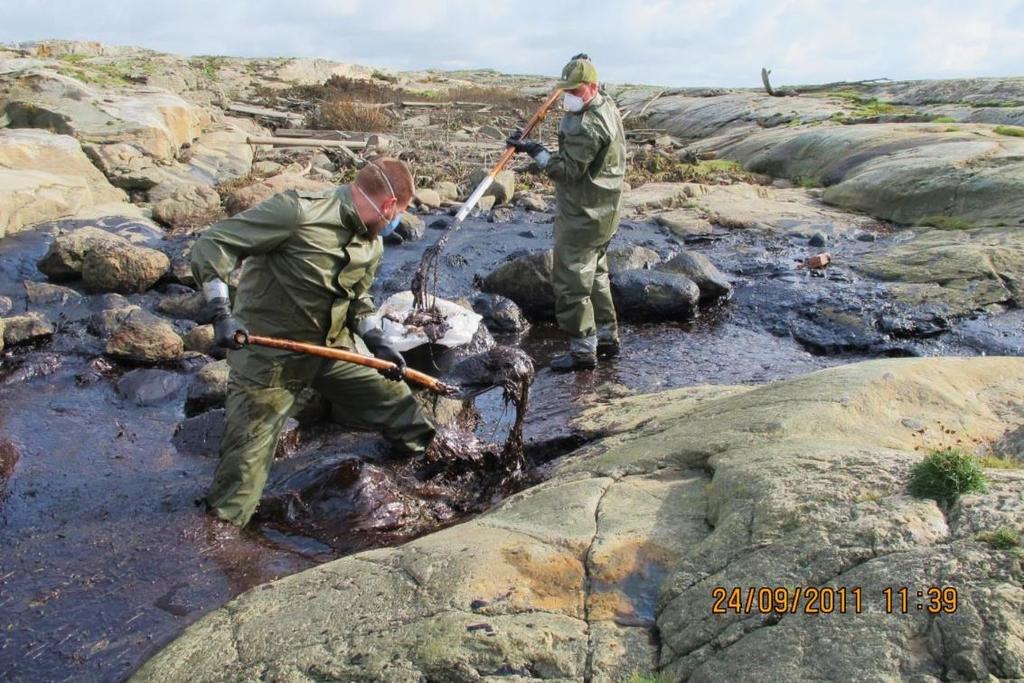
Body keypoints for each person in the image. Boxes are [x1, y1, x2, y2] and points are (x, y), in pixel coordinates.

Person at [190, 158, 435, 528]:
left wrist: (376, 339)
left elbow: (360, 298)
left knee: (398, 405)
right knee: (243, 471)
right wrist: (221, 312)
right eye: (398, 213)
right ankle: (222, 538)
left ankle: (426, 471)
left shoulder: (372, 244)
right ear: (388, 206)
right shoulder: (297, 212)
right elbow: (214, 244)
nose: (395, 222)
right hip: (270, 358)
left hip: (332, 350)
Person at [507, 54, 627, 371]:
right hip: (606, 210)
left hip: (584, 214)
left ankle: (583, 351)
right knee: (597, 275)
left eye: (576, 92)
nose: (570, 97)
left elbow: (567, 171)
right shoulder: (606, 105)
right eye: (567, 91)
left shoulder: (588, 125)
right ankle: (606, 339)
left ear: (593, 87)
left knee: (572, 281)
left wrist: (534, 151)